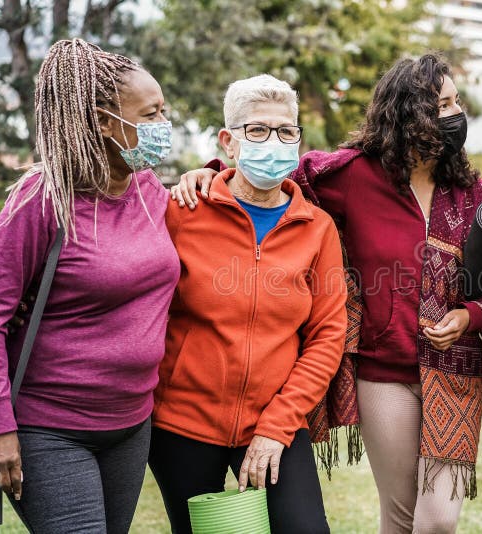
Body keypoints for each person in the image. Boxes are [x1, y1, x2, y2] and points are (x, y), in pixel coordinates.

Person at [174, 54, 482, 533]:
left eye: (455, 102)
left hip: (454, 372)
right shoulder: (351, 174)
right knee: (400, 515)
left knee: (439, 520)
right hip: (383, 372)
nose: (456, 114)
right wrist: (210, 170)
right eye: (442, 104)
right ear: (410, 114)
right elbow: (269, 176)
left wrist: (473, 315)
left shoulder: (473, 193)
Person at [0, 39, 180, 533]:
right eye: (150, 115)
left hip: (130, 424)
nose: (162, 126)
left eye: (163, 111)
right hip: (50, 429)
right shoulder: (43, 199)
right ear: (104, 122)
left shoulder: (149, 189)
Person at [147, 74, 348, 534]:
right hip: (182, 423)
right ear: (229, 142)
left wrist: (278, 425)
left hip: (276, 418)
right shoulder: (182, 212)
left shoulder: (317, 228)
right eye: (257, 130)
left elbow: (327, 335)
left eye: (285, 131)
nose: (273, 141)